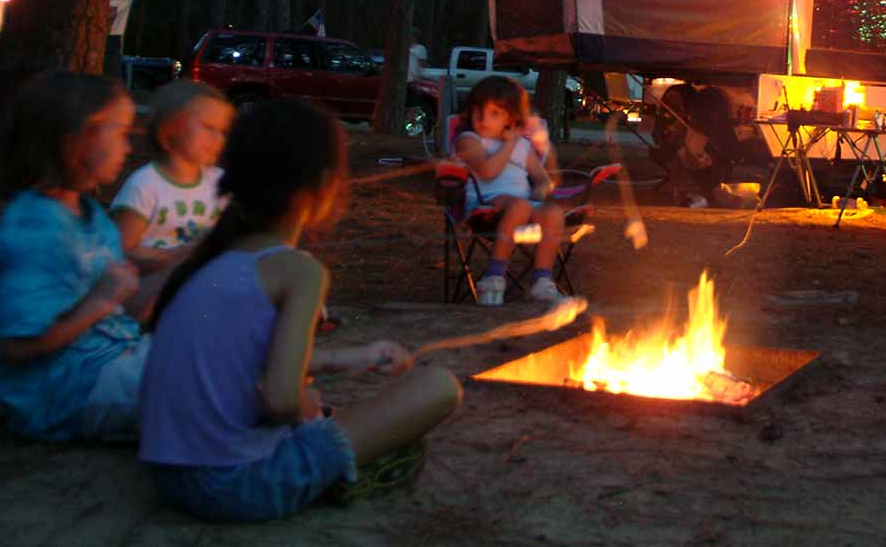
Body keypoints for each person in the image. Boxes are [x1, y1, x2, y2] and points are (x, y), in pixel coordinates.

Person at [138, 100, 461, 521]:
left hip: (168, 477)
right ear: (325, 185)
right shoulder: (297, 272)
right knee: (439, 385)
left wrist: (351, 358)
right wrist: (301, 406)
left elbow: (240, 358)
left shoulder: (208, 261)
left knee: (333, 411)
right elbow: (280, 402)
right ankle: (342, 475)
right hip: (239, 485)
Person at [0, 71, 149, 442]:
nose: (128, 148)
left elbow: (116, 305)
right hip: (64, 390)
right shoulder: (34, 231)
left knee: (217, 357)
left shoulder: (90, 215)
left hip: (108, 362)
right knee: (211, 386)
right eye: (120, 133)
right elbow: (17, 345)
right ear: (75, 138)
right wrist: (102, 300)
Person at [110, 81, 234, 320]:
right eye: (208, 127)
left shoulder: (218, 182)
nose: (218, 138)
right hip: (150, 292)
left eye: (222, 131)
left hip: (201, 286)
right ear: (170, 131)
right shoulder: (145, 185)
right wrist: (169, 258)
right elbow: (119, 250)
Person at [453, 75, 567, 305]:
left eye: (494, 113)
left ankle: (542, 281)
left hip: (521, 205)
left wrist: (542, 190)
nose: (483, 119)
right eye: (478, 111)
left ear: (511, 117)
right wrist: (510, 144)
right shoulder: (469, 139)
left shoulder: (523, 147)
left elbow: (544, 180)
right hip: (484, 206)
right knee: (520, 206)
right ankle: (494, 276)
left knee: (553, 213)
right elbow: (487, 172)